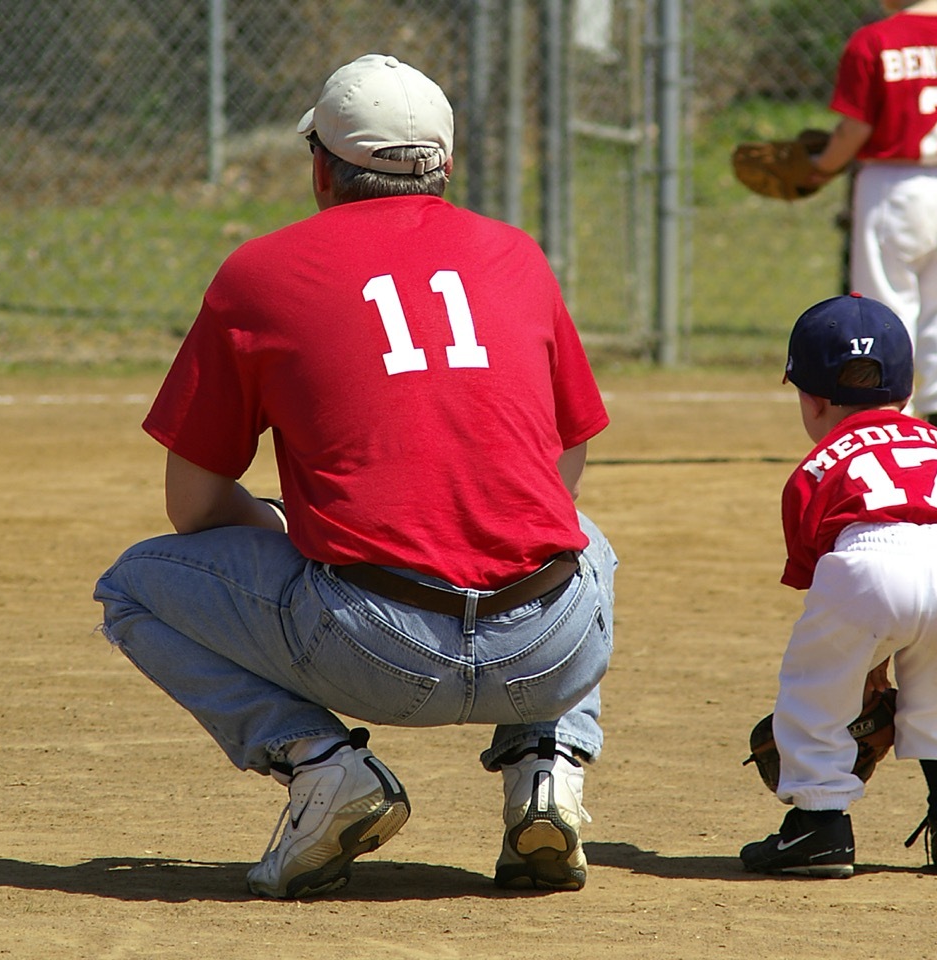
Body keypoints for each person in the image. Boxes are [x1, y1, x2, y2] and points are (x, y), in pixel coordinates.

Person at [93, 53, 616, 900]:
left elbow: (191, 505)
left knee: (134, 586)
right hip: (546, 651)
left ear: (322, 169)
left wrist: (281, 527)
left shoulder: (261, 272)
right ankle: (546, 769)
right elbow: (566, 467)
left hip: (378, 649)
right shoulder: (516, 254)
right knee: (580, 538)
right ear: (445, 166)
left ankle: (323, 763)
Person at [739, 292, 937, 878]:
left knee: (816, 688)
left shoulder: (818, 463)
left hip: (869, 562)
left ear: (809, 399)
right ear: (907, 392)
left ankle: (820, 826)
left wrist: (861, 666)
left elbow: (826, 582)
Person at [806, 0, 937, 445]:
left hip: (891, 181)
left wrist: (822, 166)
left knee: (885, 301)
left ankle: (890, 411)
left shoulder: (874, 41)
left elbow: (853, 129)